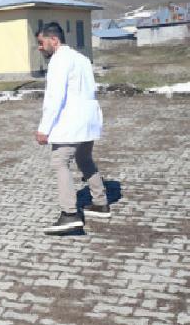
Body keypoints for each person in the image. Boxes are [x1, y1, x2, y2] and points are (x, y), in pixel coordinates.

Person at [36, 23, 110, 235]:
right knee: (84, 159)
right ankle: (100, 203)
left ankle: (69, 215)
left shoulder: (59, 60)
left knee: (60, 162)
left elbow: (55, 97)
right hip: (88, 119)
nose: (40, 47)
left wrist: (44, 128)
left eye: (41, 42)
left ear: (54, 40)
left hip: (70, 121)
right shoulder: (82, 58)